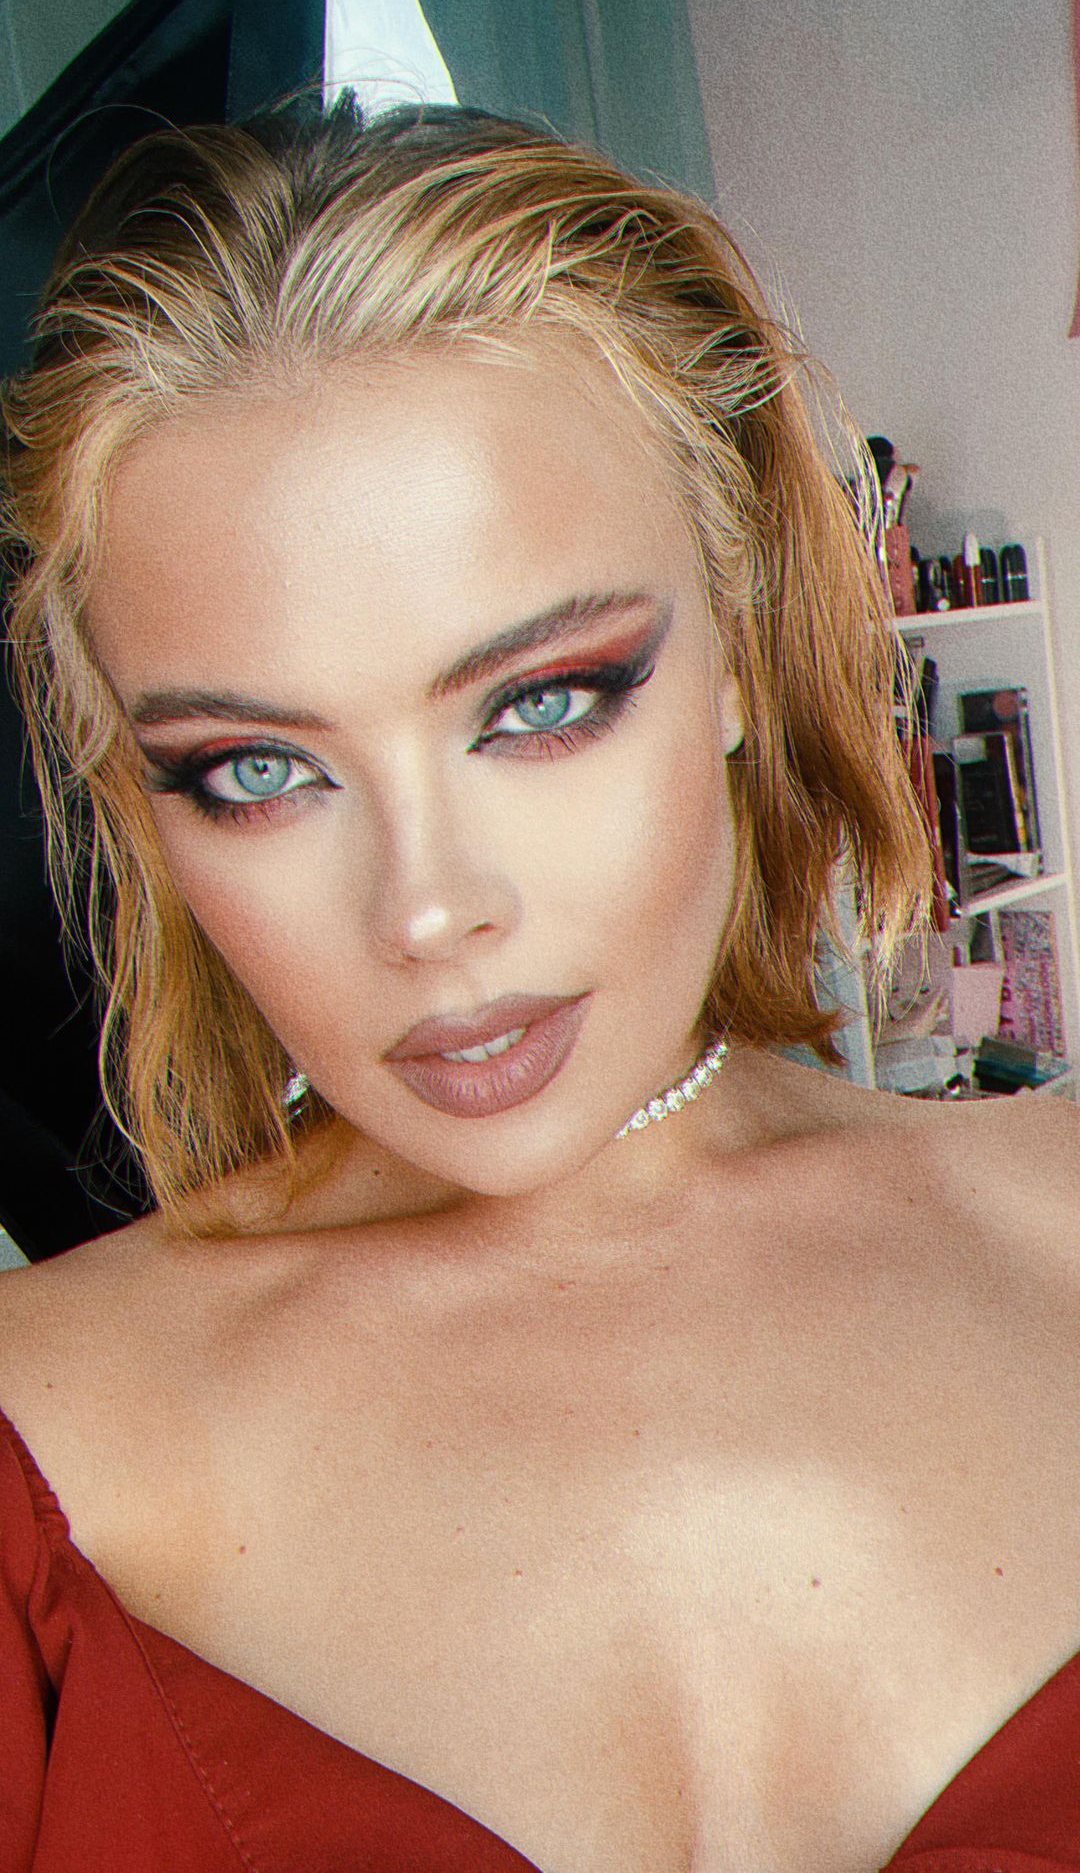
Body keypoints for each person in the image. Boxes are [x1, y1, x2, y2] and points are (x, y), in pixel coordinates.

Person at [0, 96, 1078, 1873]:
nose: (430, 911)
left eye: (542, 701)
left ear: (736, 641)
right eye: (261, 770)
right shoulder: (39, 1464)